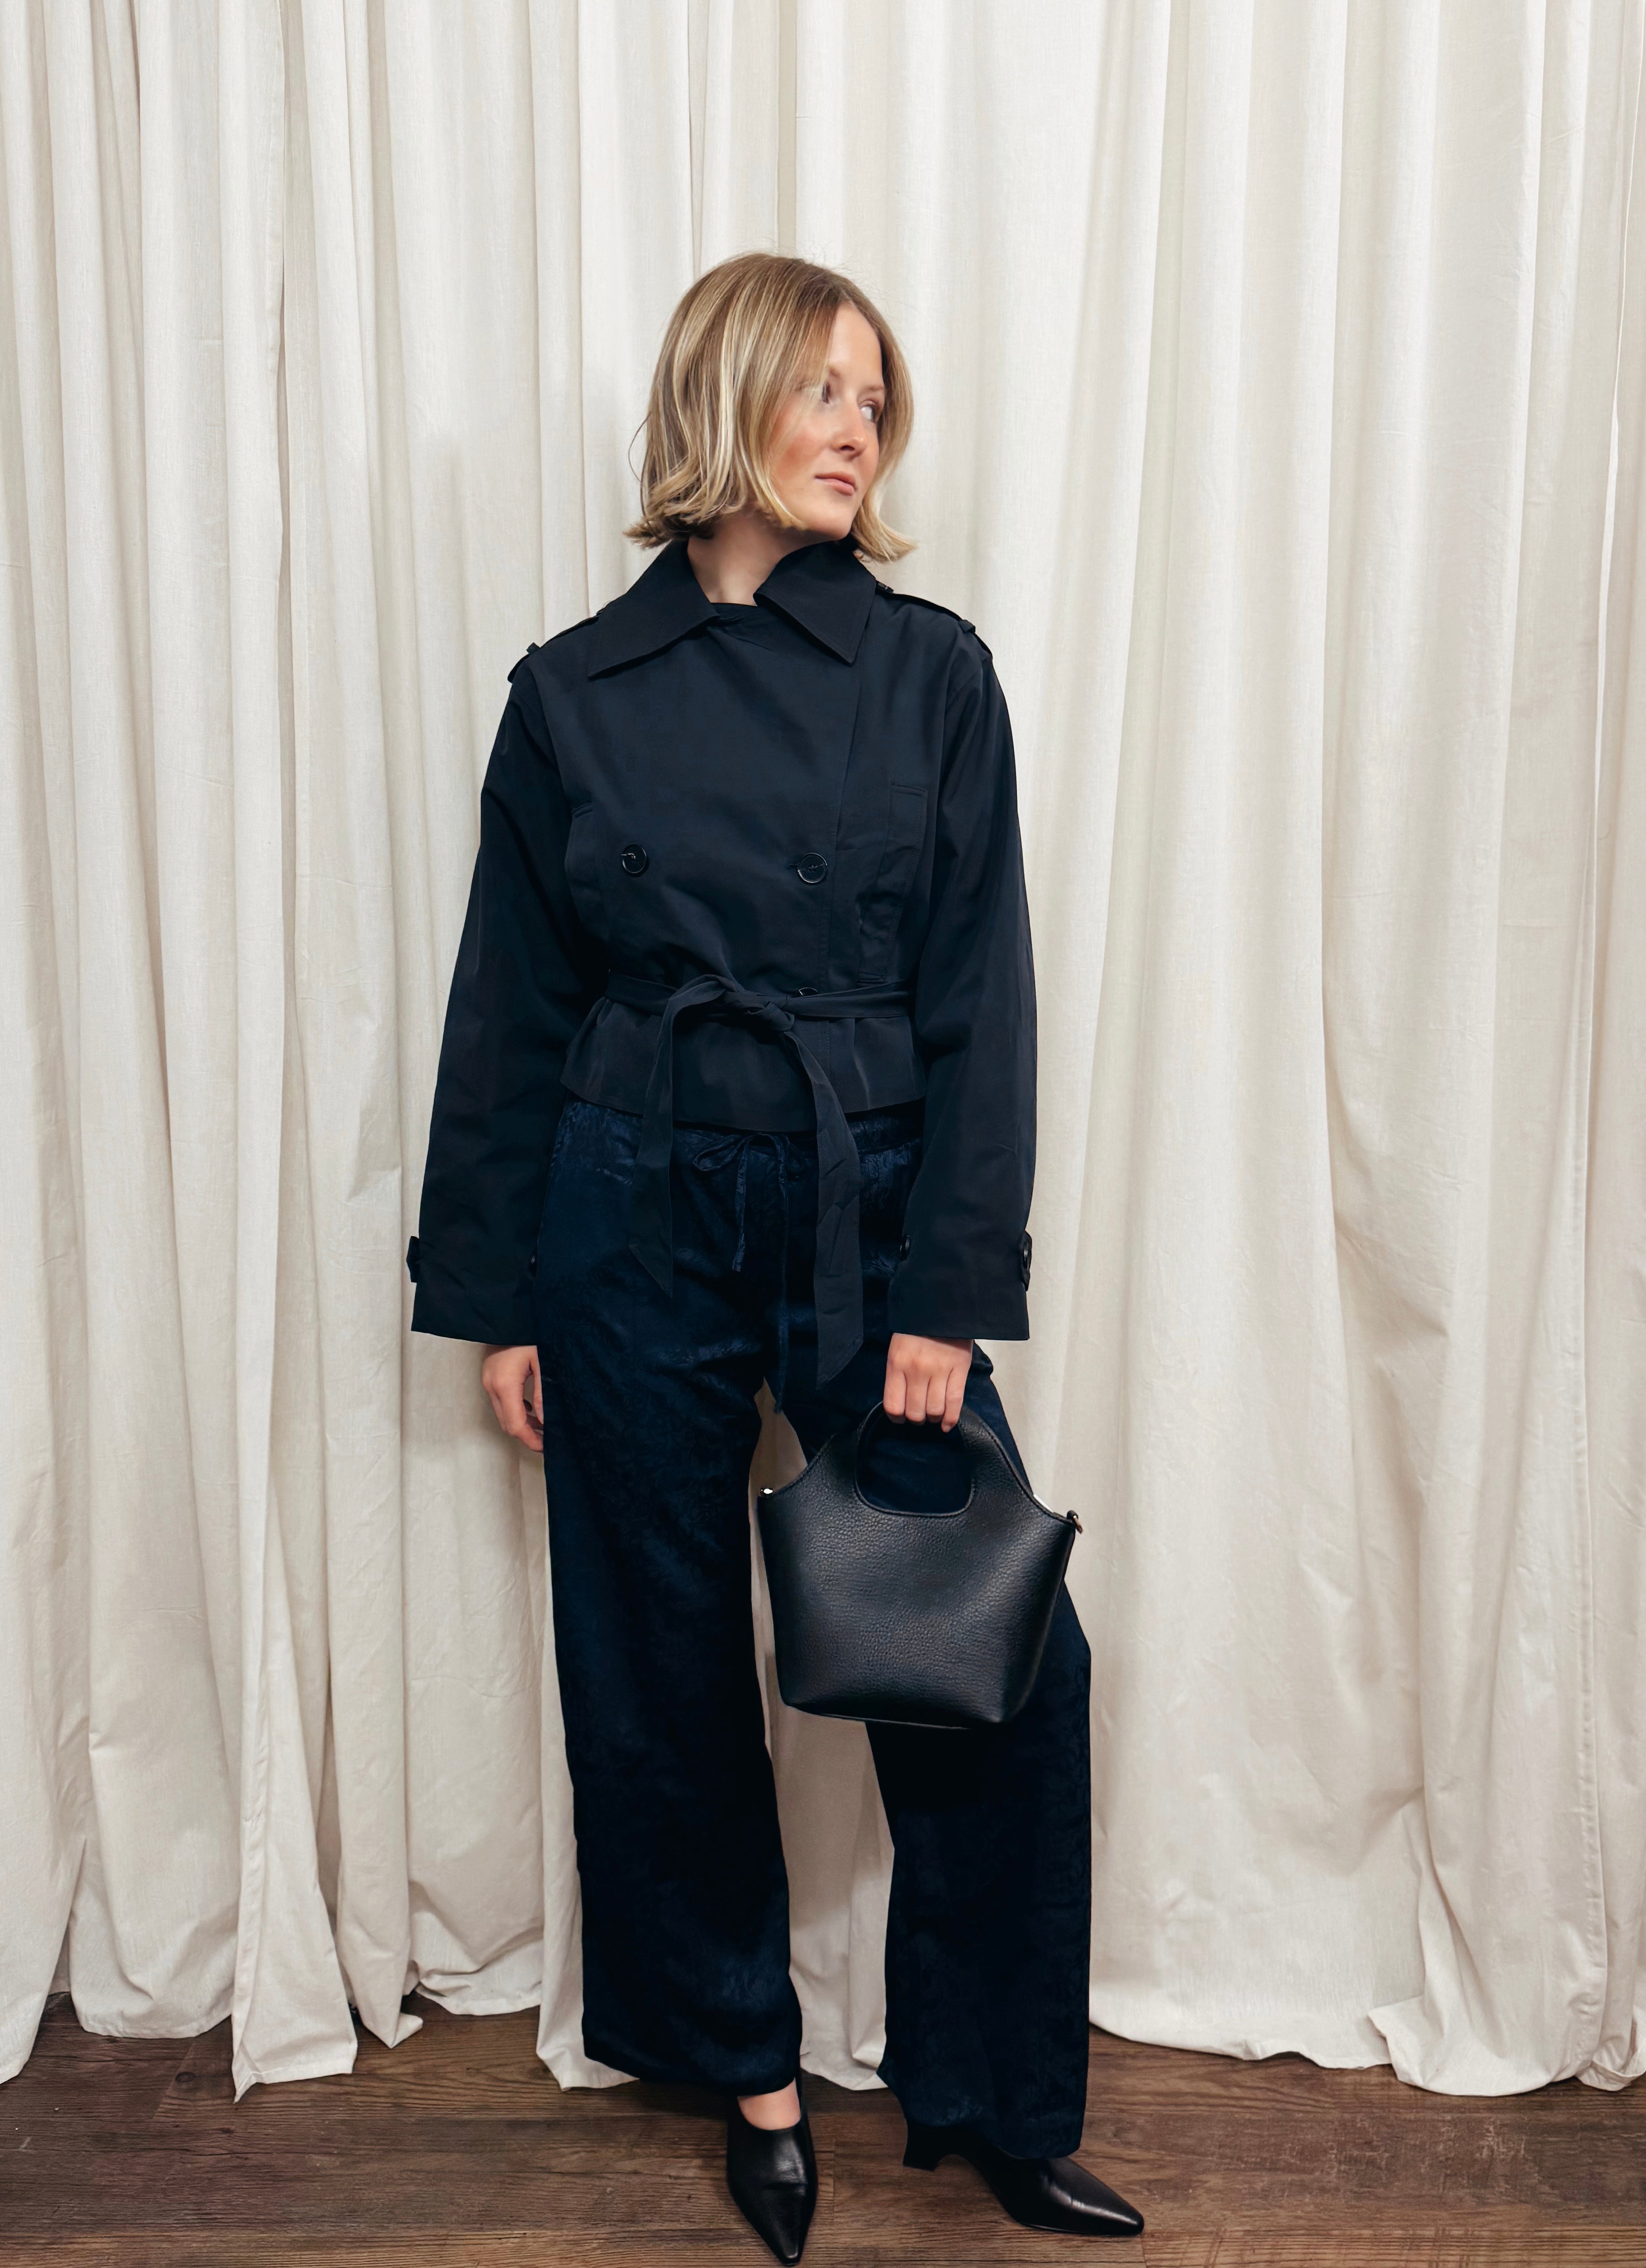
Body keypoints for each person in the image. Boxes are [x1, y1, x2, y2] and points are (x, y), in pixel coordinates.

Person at [406, 251, 1144, 2260]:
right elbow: (511, 1012)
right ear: (725, 398)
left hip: (860, 1200)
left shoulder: (931, 675)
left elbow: (982, 1004)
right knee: (653, 1657)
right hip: (626, 1199)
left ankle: (995, 2096)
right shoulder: (573, 692)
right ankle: (748, 2072)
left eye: (874, 401)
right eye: (822, 389)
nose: (856, 431)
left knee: (997, 1660)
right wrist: (498, 1297)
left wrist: (944, 1296)